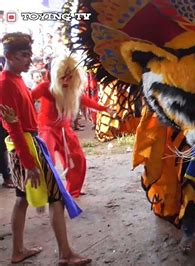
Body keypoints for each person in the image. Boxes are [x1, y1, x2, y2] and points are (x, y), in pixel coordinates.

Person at [0, 32, 91, 265]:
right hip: (26, 146)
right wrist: (29, 163)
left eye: (30, 54)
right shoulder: (5, 84)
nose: (29, 59)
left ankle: (18, 250)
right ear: (9, 56)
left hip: (29, 143)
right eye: (23, 55)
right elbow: (13, 128)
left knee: (22, 199)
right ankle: (65, 254)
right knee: (56, 198)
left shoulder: (17, 79)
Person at [31, 55, 107, 198]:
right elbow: (28, 99)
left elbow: (84, 99)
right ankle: (48, 192)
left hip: (65, 129)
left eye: (70, 77)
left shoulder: (72, 90)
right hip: (46, 129)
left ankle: (73, 191)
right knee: (47, 161)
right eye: (63, 77)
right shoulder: (45, 87)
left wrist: (104, 109)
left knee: (78, 159)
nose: (66, 80)